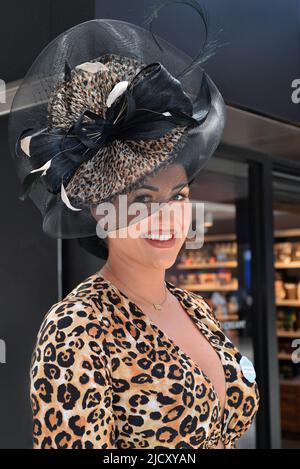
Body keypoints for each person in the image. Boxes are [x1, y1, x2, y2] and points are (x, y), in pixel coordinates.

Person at [8, 1, 259, 450]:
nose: (167, 217)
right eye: (142, 200)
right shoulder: (77, 328)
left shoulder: (195, 308)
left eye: (179, 196)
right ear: (100, 213)